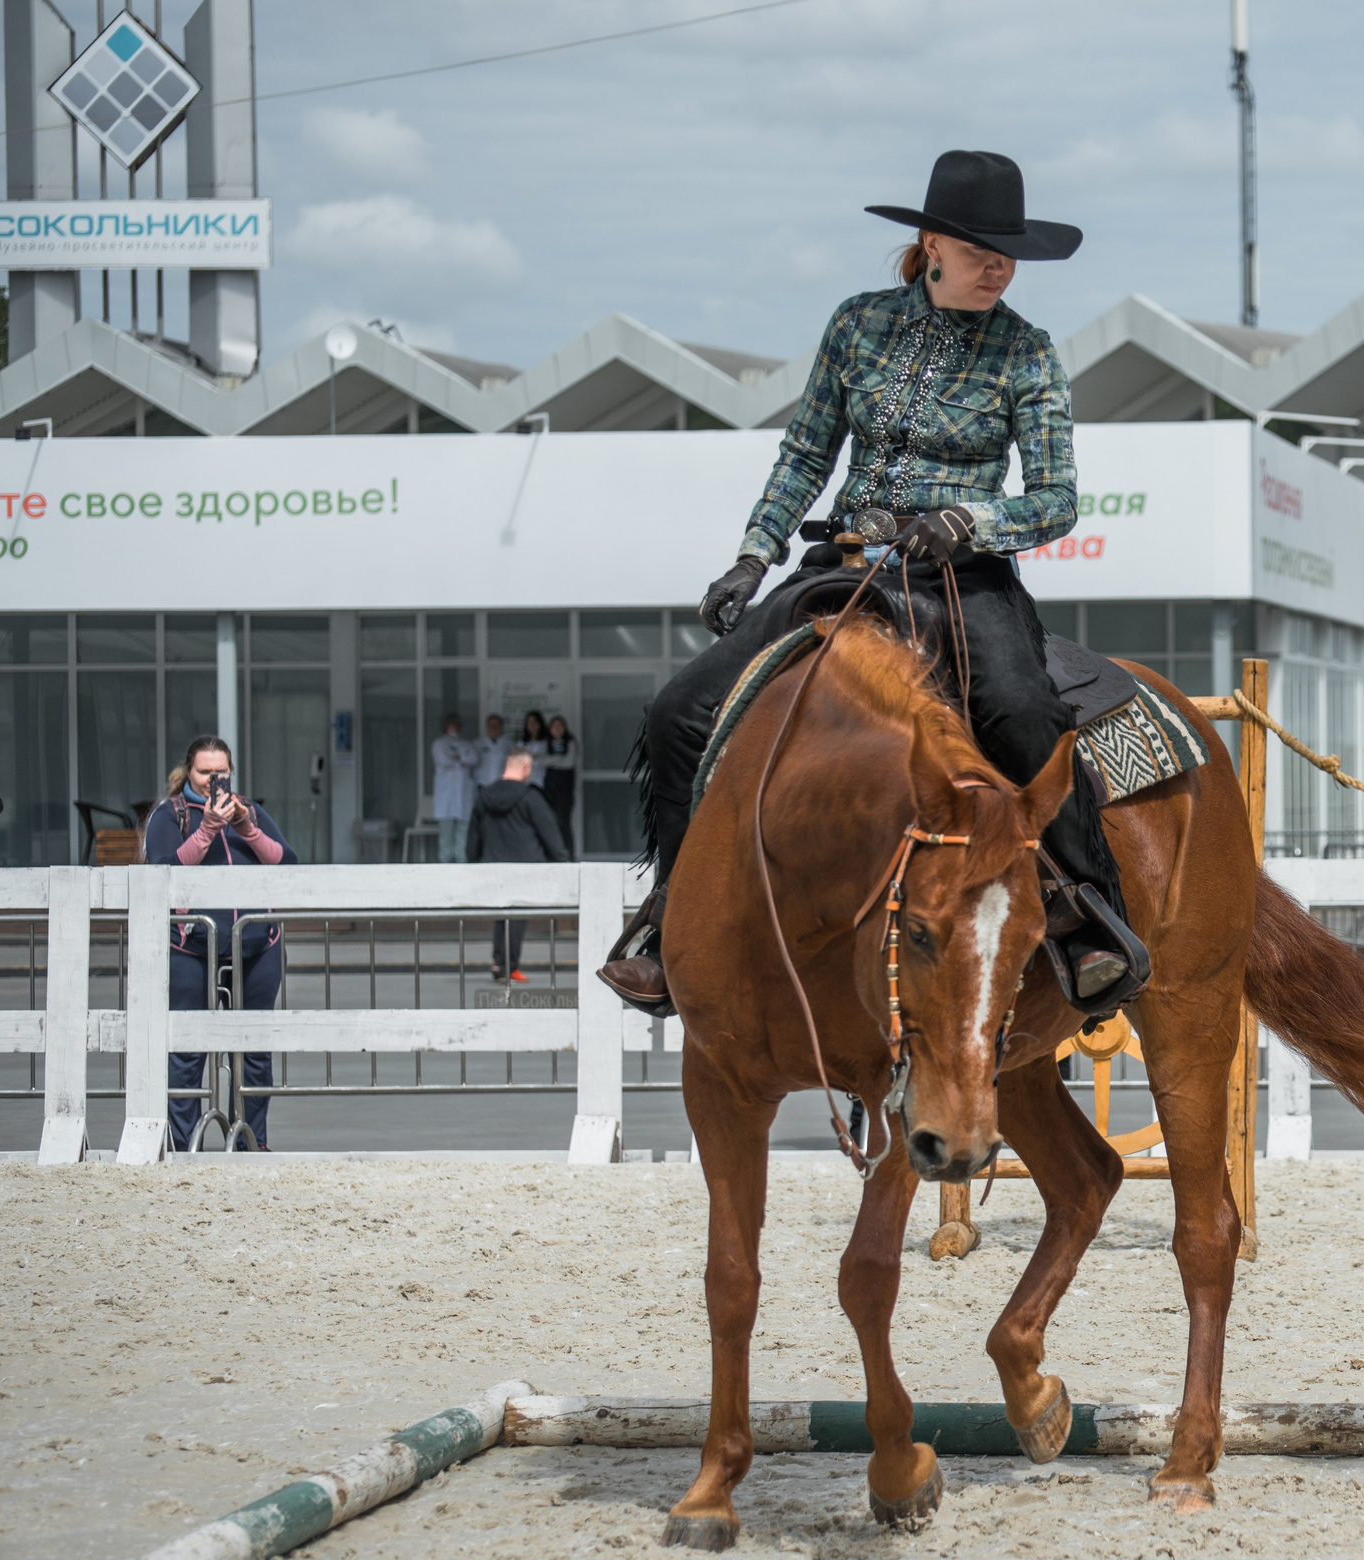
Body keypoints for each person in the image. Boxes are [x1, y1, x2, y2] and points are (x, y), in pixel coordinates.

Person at [599, 149, 1142, 1019]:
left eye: (1007, 253)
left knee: (1023, 712)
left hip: (965, 579)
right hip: (846, 566)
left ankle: (1088, 915)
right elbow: (807, 451)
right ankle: (671, 923)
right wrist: (753, 552)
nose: (997, 266)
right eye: (978, 249)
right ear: (931, 242)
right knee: (678, 713)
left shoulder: (1029, 353)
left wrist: (971, 522)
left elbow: (1056, 500)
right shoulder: (856, 325)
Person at [144, 736, 291, 1151]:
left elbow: (287, 863)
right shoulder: (169, 815)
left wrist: (246, 827)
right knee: (189, 1051)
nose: (213, 780)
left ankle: (251, 1141)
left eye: (220, 772)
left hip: (257, 944)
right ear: (188, 773)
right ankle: (183, 1142)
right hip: (191, 947)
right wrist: (208, 828)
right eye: (205, 772)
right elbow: (163, 871)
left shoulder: (251, 810)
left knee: (253, 1051)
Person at [468, 748, 571, 983]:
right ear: (525, 768)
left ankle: (500, 963)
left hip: (494, 867)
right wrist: (561, 862)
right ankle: (509, 966)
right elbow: (550, 834)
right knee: (517, 916)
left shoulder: (485, 796)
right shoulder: (530, 797)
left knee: (501, 915)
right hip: (526, 868)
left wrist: (473, 861)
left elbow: (473, 836)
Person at [430, 715, 482, 862]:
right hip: (446, 797)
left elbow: (474, 759)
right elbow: (443, 760)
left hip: (464, 795)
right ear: (446, 726)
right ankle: (444, 865)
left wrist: (458, 758)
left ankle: (461, 864)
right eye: (453, 725)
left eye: (459, 725)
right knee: (446, 837)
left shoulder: (466, 744)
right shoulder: (439, 743)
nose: (456, 728)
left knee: (462, 835)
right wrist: (460, 759)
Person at [538, 714, 580, 853]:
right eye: (554, 726)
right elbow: (541, 761)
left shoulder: (571, 742)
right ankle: (553, 852)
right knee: (551, 821)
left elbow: (569, 762)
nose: (557, 729)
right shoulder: (546, 742)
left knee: (564, 821)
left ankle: (569, 852)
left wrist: (552, 760)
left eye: (560, 726)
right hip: (550, 788)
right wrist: (559, 759)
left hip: (565, 789)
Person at [474, 714, 511, 787]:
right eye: (491, 725)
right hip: (482, 783)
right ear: (487, 727)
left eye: (496, 725)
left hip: (502, 784)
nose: (494, 728)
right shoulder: (478, 743)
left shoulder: (508, 744)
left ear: (501, 727)